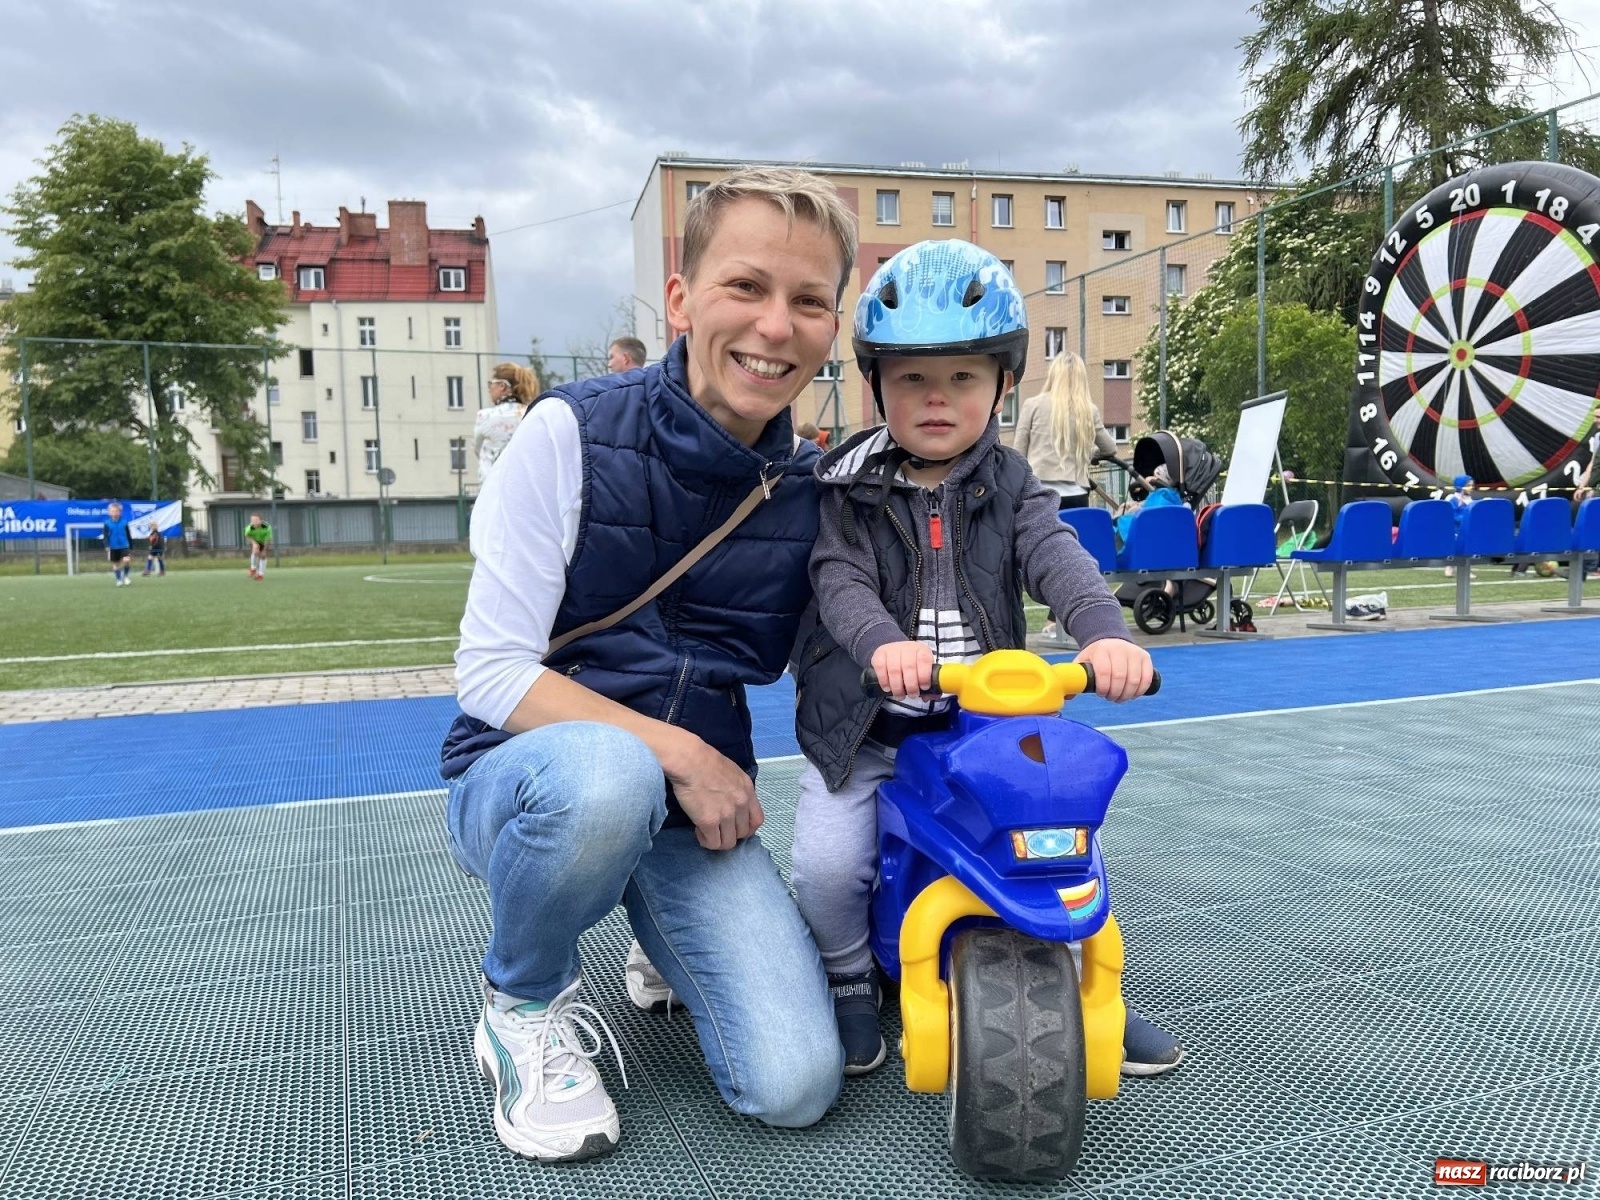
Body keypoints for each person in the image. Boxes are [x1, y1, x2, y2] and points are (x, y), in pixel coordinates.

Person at [440, 166, 859, 1162]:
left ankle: (657, 927)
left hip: (687, 818)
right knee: (609, 778)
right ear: (680, 300)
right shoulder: (568, 432)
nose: (775, 326)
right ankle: (521, 1000)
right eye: (745, 287)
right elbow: (489, 674)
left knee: (796, 1084)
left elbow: (839, 663)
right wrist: (678, 752)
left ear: (832, 327)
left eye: (808, 301)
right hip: (536, 783)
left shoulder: (813, 491)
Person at [790, 239, 1184, 1080]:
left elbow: (1056, 557)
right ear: (877, 385)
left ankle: (1077, 975)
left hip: (986, 727)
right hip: (867, 729)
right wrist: (882, 645)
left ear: (1003, 386)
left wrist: (1104, 634)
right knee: (826, 865)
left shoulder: (1011, 483)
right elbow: (840, 581)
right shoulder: (848, 488)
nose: (937, 398)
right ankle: (850, 978)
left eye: (963, 377)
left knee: (1054, 839)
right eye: (912, 379)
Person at [1012, 351, 1119, 639]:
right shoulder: (1088, 410)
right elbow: (1110, 448)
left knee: (1028, 553)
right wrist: (1084, 452)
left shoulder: (1034, 405)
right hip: (1076, 495)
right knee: (1068, 556)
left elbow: (1018, 451)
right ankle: (1056, 620)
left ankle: (1029, 618)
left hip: (1038, 492)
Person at [473, 363, 539, 486]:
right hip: (525, 484)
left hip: (492, 487)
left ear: (502, 386)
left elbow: (477, 448)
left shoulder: (485, 416)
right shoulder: (533, 414)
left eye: (491, 384)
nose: (489, 389)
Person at [1445, 474, 1472, 578]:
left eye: (1471, 485)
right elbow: (1452, 515)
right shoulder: (1452, 499)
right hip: (1454, 530)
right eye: (1468, 485)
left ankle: (1466, 569)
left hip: (1466, 530)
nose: (1471, 488)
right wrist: (1465, 519)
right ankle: (1450, 566)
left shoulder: (1470, 501)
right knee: (1455, 548)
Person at [101, 501, 133, 586]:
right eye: (112, 511)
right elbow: (105, 536)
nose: (114, 513)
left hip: (124, 545)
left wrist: (131, 545)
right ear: (109, 512)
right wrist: (106, 545)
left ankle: (126, 577)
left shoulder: (124, 522)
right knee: (116, 564)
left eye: (116, 511)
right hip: (113, 546)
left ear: (120, 512)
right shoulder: (107, 523)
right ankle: (119, 579)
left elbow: (128, 534)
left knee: (127, 560)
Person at [244, 513, 272, 580]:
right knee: (255, 551)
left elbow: (268, 539)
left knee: (263, 556)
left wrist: (264, 550)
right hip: (254, 540)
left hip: (264, 541)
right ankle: (253, 568)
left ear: (261, 520)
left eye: (256, 520)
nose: (254, 522)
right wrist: (254, 543)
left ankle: (260, 575)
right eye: (252, 520)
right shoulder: (251, 527)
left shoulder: (266, 527)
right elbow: (247, 535)